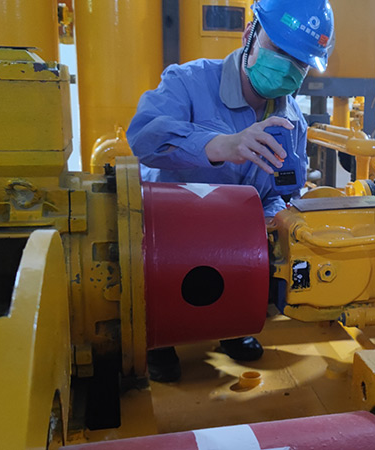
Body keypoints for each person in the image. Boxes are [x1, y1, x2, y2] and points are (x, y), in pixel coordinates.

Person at [127, 0, 335, 382]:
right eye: (279, 50)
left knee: (244, 273)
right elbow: (143, 137)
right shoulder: (189, 82)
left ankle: (232, 328)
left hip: (236, 249)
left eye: (300, 61)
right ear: (249, 34)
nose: (288, 67)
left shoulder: (291, 120)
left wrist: (282, 219)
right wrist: (221, 145)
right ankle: (160, 342)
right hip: (169, 237)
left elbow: (280, 191)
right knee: (164, 298)